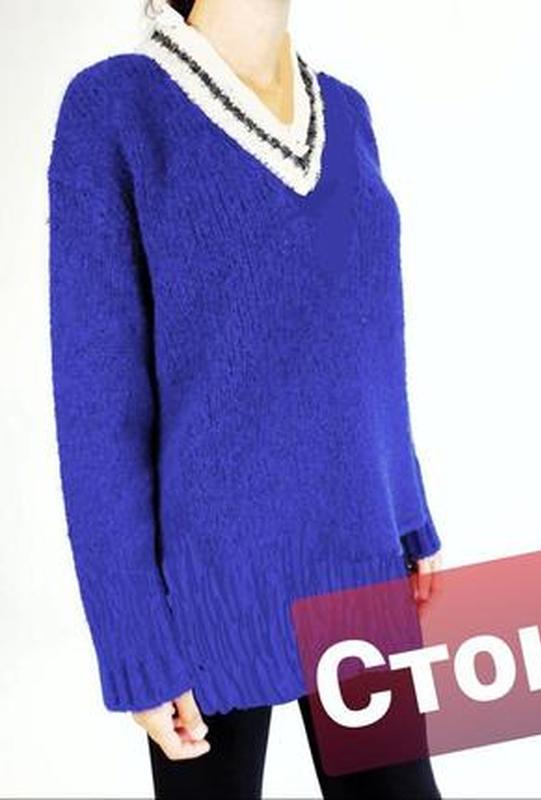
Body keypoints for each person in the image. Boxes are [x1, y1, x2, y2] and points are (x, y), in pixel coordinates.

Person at [47, 0, 443, 795]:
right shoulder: (117, 108)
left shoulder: (346, 113)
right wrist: (134, 645)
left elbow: (367, 338)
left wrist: (408, 515)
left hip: (357, 559)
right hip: (209, 593)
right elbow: (97, 410)